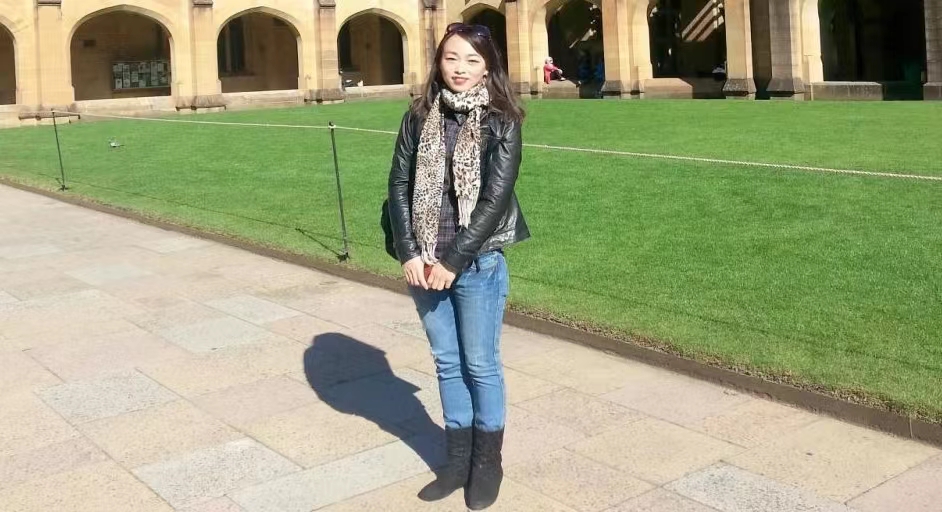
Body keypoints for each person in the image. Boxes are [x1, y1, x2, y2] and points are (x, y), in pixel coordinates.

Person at [386, 21, 529, 511]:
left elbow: (495, 199)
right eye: (451, 58)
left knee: (481, 364)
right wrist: (409, 251)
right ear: (438, 62)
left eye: (471, 59)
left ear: (488, 66)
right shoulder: (418, 115)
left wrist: (453, 259)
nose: (460, 68)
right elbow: (398, 184)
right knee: (447, 362)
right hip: (424, 260)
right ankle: (457, 460)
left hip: (476, 263)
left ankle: (487, 464)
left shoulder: (503, 119)